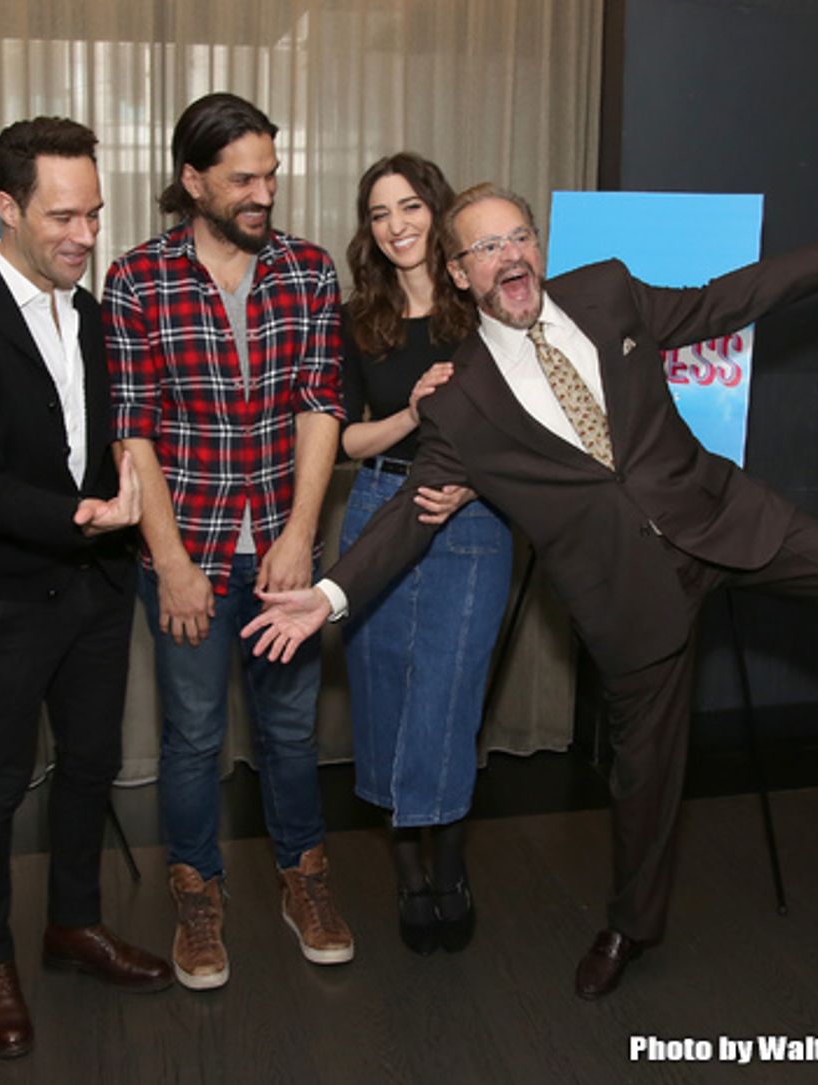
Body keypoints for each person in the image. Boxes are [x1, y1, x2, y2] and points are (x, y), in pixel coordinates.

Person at [242, 182, 818, 1001]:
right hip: (625, 591)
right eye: (487, 247)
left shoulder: (606, 293)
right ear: (462, 274)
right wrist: (329, 595)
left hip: (721, 517)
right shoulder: (460, 401)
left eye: (519, 237)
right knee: (646, 775)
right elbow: (407, 518)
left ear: (537, 246)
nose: (510, 255)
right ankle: (630, 926)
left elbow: (719, 302)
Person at [0, 117, 173, 1060]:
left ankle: (73, 924)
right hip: (10, 599)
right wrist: (83, 515)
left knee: (91, 763)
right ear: (8, 207)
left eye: (94, 213)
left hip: (97, 589)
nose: (85, 235)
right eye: (63, 216)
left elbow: (108, 438)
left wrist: (129, 499)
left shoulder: (90, 313)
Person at [103, 92, 352, 992]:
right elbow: (133, 430)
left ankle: (304, 879)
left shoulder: (310, 270)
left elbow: (320, 405)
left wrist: (298, 534)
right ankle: (197, 892)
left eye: (271, 176)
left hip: (283, 548)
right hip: (189, 551)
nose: (263, 194)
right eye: (243, 179)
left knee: (289, 728)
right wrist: (173, 564)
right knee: (194, 734)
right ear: (193, 179)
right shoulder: (137, 279)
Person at [339, 153, 511, 954]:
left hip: (472, 517)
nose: (396, 225)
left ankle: (451, 865)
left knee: (448, 696)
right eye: (379, 213)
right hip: (378, 506)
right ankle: (408, 872)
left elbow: (526, 428)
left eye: (410, 206)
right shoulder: (358, 318)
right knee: (383, 697)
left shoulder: (482, 309)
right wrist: (410, 412)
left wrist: (473, 487)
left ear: (437, 214)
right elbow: (346, 439)